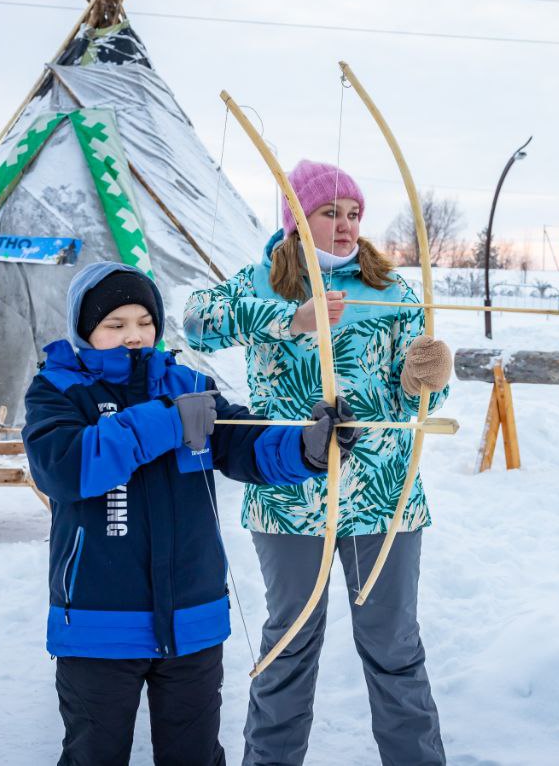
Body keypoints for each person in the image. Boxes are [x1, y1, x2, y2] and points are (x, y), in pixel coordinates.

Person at [23, 261, 361, 766]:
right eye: (115, 324)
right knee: (93, 754)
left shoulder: (189, 386)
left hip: (192, 618)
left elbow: (243, 442)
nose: (134, 335)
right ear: (84, 329)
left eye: (145, 322)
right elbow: (65, 468)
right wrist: (168, 422)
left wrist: (307, 448)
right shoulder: (59, 390)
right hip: (98, 621)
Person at [184, 160, 453, 765]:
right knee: (289, 646)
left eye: (354, 213)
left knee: (394, 648)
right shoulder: (261, 282)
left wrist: (426, 380)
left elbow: (420, 399)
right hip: (288, 499)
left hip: (383, 497)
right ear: (297, 221)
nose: (347, 224)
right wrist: (292, 319)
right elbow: (197, 323)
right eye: (331, 212)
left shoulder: (390, 290)